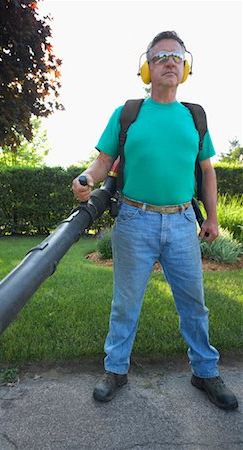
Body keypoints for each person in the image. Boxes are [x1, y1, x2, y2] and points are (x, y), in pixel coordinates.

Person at [72, 31, 238, 410]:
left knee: (194, 304)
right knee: (125, 303)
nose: (169, 61)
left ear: (186, 67)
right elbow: (101, 161)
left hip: (182, 223)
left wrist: (211, 217)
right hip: (134, 220)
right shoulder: (128, 113)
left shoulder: (194, 117)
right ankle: (115, 370)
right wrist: (87, 180)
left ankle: (205, 372)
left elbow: (206, 171)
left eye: (177, 57)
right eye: (161, 56)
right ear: (147, 67)